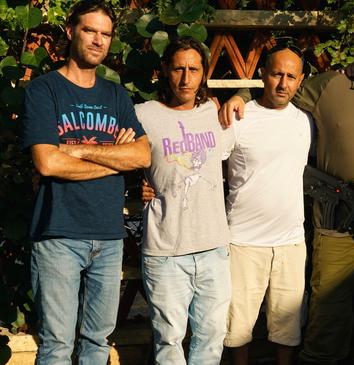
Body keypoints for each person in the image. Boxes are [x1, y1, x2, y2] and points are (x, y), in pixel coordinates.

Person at [220, 19, 354, 364]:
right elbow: (276, 92)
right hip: (334, 229)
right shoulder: (329, 86)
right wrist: (240, 96)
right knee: (326, 322)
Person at [20, 1, 151, 363]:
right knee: (57, 345)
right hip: (58, 234)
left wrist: (74, 151)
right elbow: (47, 162)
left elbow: (141, 155)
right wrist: (114, 159)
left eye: (105, 34)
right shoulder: (44, 90)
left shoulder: (114, 94)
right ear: (70, 31)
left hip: (109, 235)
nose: (98, 40)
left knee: (97, 342)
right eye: (89, 30)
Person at [136, 36, 234, 364]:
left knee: (212, 336)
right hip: (166, 252)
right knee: (169, 339)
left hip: (213, 247)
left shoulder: (213, 111)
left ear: (204, 73)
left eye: (193, 69)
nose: (185, 78)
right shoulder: (143, 114)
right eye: (178, 68)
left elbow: (251, 109)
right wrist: (135, 184)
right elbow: (121, 156)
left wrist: (243, 96)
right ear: (165, 70)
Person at [223, 43, 312, 365]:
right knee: (237, 328)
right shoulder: (238, 117)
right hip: (243, 242)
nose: (282, 83)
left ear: (300, 80)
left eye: (291, 76)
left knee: (288, 329)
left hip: (291, 242)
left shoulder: (305, 122)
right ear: (263, 74)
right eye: (276, 74)